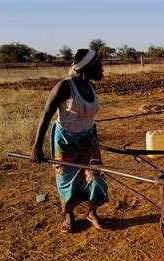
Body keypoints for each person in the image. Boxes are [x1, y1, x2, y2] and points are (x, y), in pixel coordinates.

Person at [30, 49, 108, 233]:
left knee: (95, 177)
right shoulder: (64, 87)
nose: (102, 69)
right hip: (66, 141)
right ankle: (69, 215)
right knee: (67, 181)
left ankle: (92, 212)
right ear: (86, 68)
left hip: (89, 139)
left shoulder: (91, 87)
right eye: (98, 66)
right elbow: (46, 116)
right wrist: (37, 146)